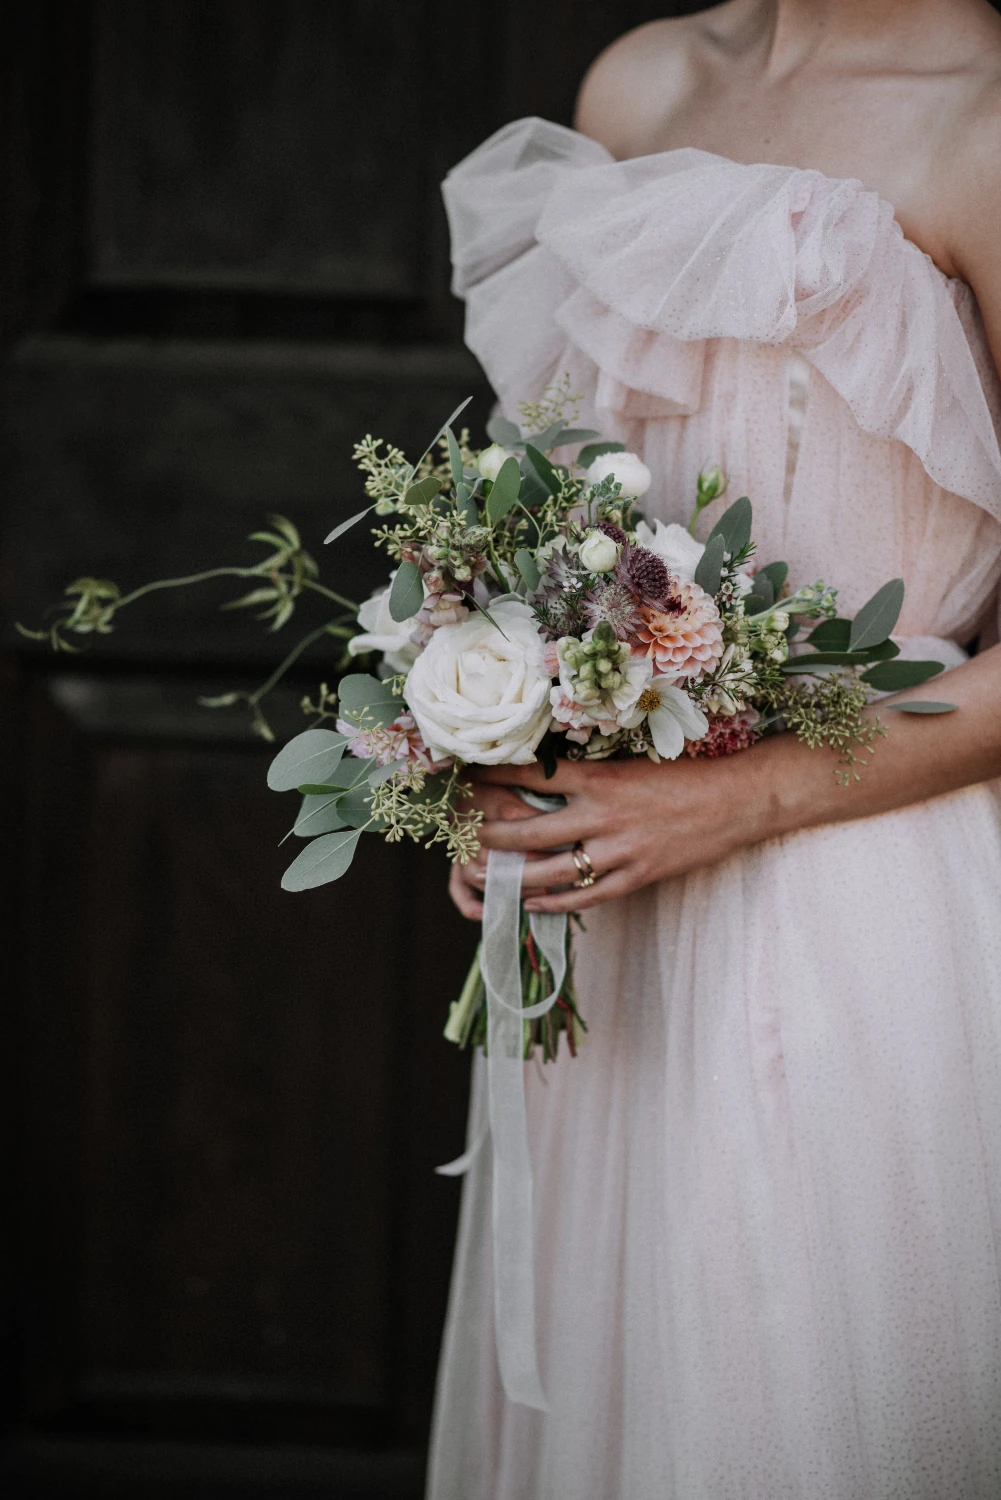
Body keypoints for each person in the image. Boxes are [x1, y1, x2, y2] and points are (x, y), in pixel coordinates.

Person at [430, 3, 1001, 1496]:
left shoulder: (984, 124)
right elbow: (563, 521)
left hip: (862, 893)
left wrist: (740, 798)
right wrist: (504, 764)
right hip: (611, 920)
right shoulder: (647, 79)